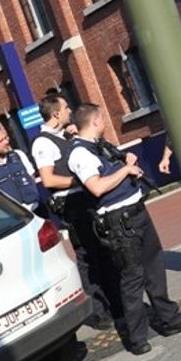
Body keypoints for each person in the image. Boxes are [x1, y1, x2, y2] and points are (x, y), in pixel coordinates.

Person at [67, 103, 181, 355]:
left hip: (136, 212)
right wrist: (126, 170)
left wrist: (124, 161)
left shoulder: (99, 145)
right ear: (95, 121)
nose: (104, 122)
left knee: (154, 267)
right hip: (119, 223)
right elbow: (96, 187)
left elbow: (111, 169)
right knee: (132, 278)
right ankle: (137, 337)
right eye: (102, 118)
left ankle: (169, 319)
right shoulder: (80, 154)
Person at [32, 93, 117, 331]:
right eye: (66, 107)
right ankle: (99, 311)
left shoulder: (65, 136)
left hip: (86, 202)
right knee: (88, 259)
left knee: (102, 252)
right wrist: (78, 180)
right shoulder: (43, 143)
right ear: (56, 113)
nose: (70, 111)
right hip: (72, 208)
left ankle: (114, 303)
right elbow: (48, 179)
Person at [0, 123, 44, 214]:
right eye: (0, 141)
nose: (6, 142)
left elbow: (31, 177)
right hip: (15, 217)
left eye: (6, 138)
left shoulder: (18, 155)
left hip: (38, 209)